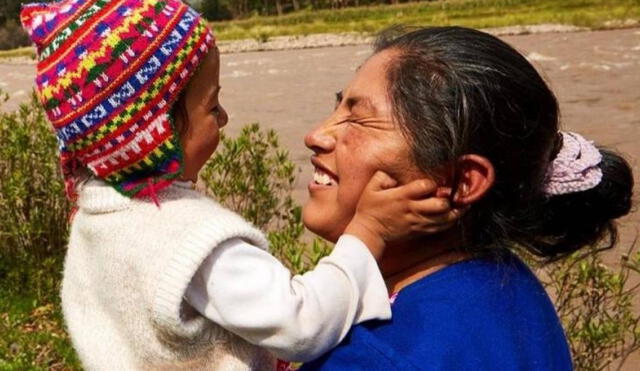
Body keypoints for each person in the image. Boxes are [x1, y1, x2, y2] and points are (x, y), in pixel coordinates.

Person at [19, 2, 459, 370]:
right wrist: (368, 233)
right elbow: (300, 324)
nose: (224, 118)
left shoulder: (96, 217)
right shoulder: (186, 237)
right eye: (212, 105)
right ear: (152, 131)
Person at [299, 26, 634, 370]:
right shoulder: (504, 285)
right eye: (337, 107)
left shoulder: (377, 358)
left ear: (461, 183)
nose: (316, 135)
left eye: (359, 118)